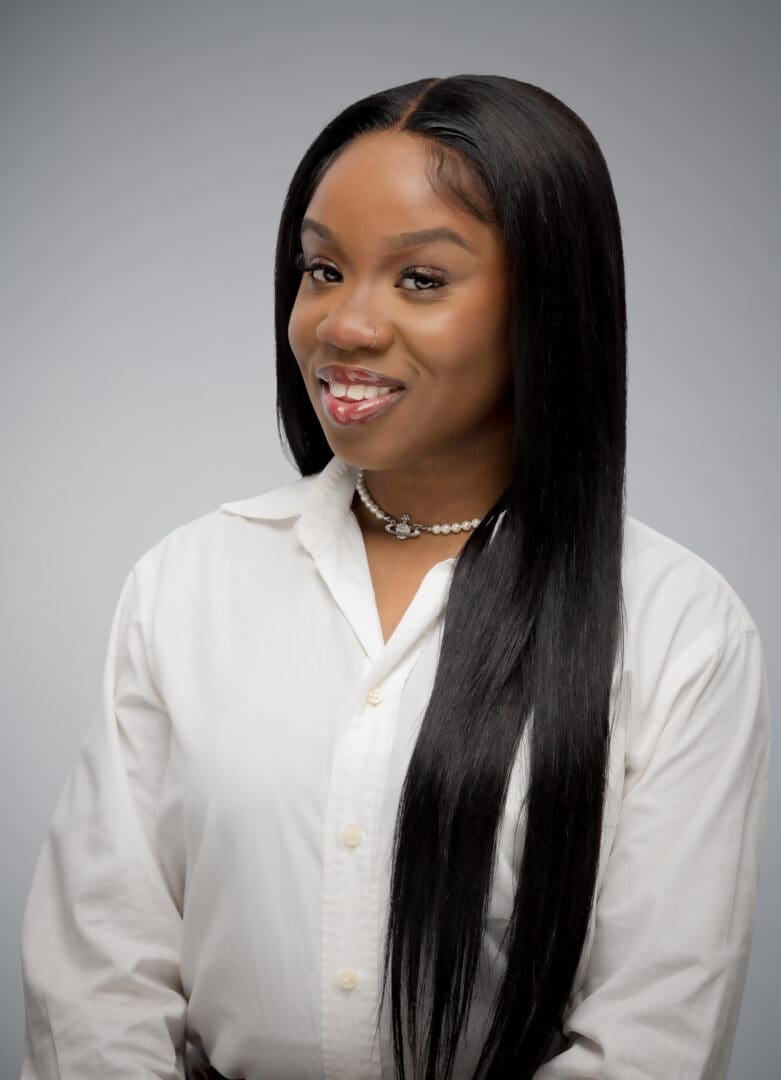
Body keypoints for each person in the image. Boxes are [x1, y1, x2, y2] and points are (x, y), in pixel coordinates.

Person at [19, 74, 771, 1080]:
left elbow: (651, 1036)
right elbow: (95, 973)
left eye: (419, 280)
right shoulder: (189, 580)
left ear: (546, 308)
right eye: (321, 269)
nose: (343, 325)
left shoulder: (678, 628)